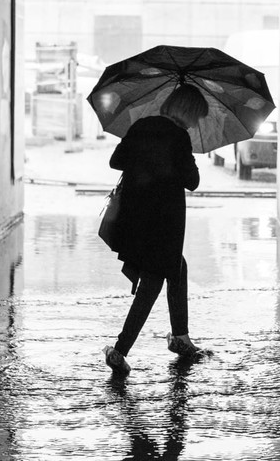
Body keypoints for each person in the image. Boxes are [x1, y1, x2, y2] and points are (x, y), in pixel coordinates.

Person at [102, 83, 210, 375]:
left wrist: (144, 158)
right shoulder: (179, 137)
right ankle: (119, 350)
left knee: (177, 267)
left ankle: (180, 337)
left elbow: (116, 161)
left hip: (135, 216)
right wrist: (185, 159)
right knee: (152, 282)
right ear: (188, 111)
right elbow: (193, 181)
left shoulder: (142, 126)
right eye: (197, 115)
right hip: (164, 221)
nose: (197, 122)